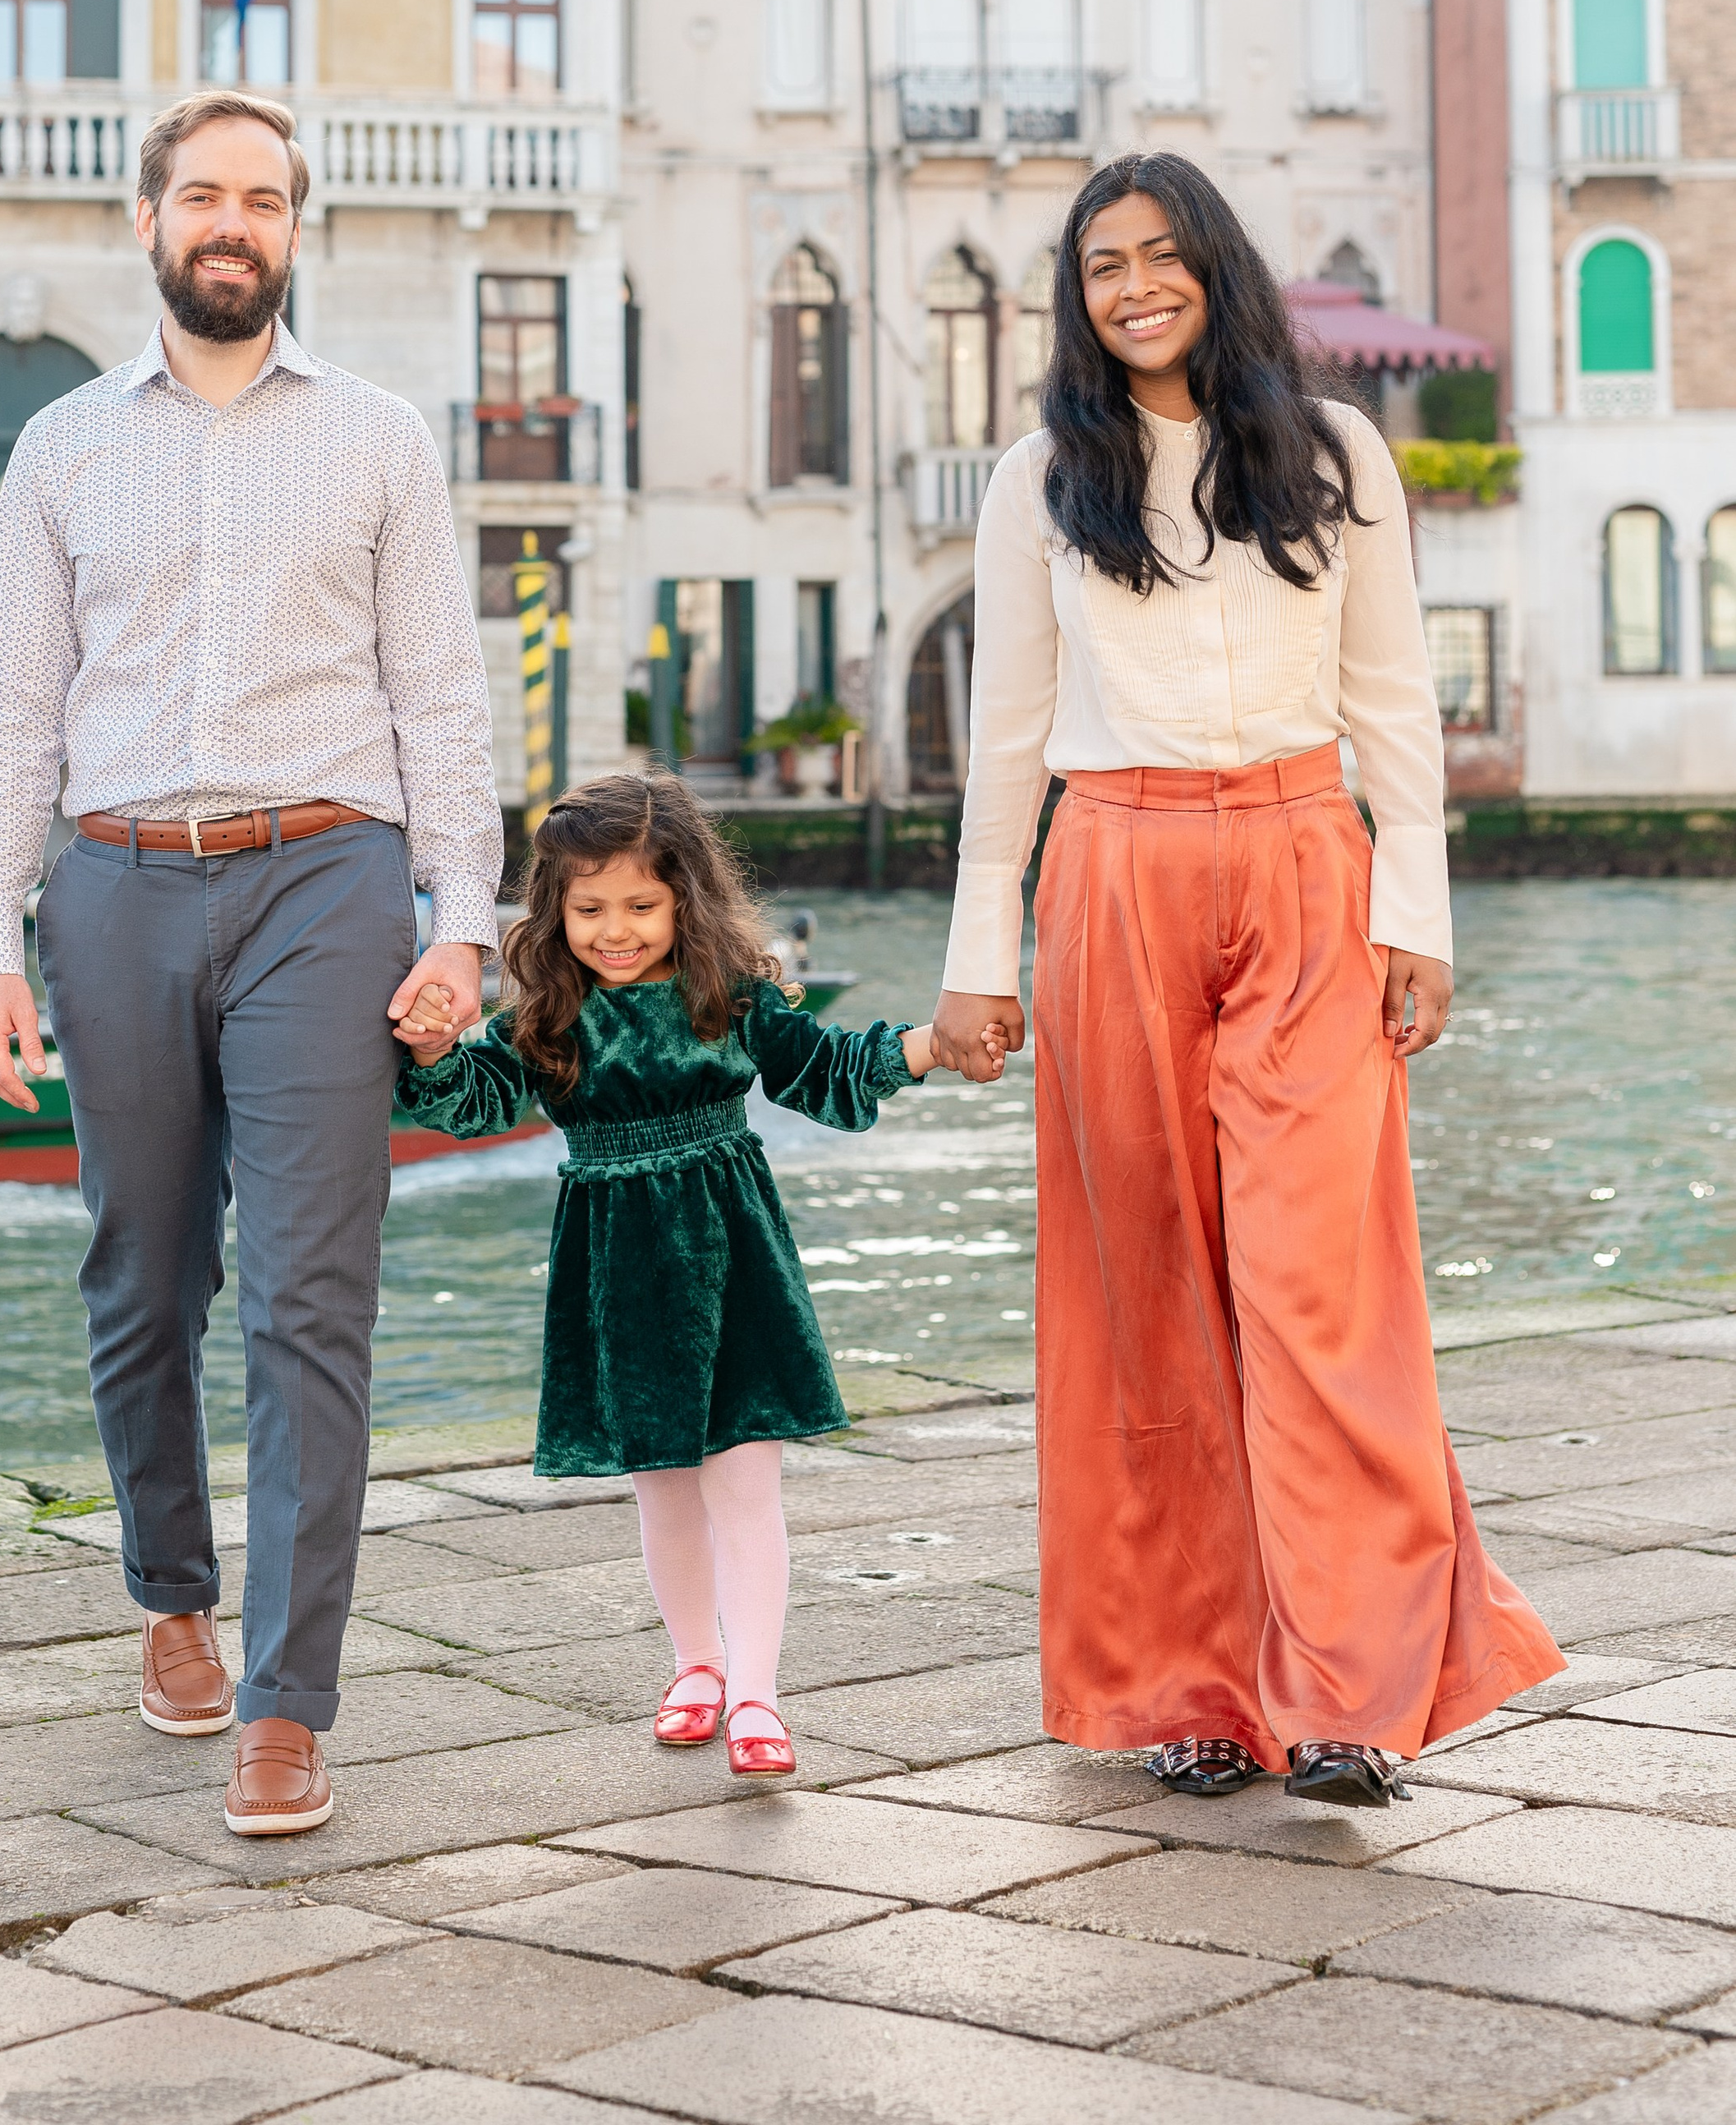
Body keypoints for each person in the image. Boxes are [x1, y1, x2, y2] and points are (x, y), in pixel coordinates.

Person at [930, 151, 1561, 1810]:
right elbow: (1003, 732)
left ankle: (1346, 1688)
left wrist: (1412, 913)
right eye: (1097, 267)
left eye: (1158, 257)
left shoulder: (1335, 451)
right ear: (1073, 298)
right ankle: (1188, 1687)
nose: (1130, 287)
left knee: (1316, 1286)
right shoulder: (1035, 479)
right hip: (1114, 867)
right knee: (1144, 1289)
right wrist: (975, 963)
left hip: (1301, 860)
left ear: (1213, 265)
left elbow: (1392, 699)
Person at [0, 89, 502, 1840]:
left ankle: (285, 1696)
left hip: (325, 880)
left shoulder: (379, 442)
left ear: (292, 228)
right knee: (142, 1275)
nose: (231, 222)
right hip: (109, 887)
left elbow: (440, 700)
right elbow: (10, 716)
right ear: (149, 221)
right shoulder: (57, 449)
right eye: (203, 193)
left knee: (308, 1297)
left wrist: (463, 916)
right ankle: (170, 1595)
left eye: (262, 198)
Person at [393, 773, 1001, 1774]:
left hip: (732, 1248)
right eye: (589, 908)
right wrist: (429, 1046)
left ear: (685, 897)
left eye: (640, 904)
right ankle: (695, 1665)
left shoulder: (732, 994)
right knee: (663, 1488)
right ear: (555, 910)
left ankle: (759, 1695)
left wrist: (935, 1043)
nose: (615, 929)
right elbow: (469, 1101)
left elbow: (828, 1068)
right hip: (615, 1262)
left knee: (744, 1482)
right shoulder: (547, 1014)